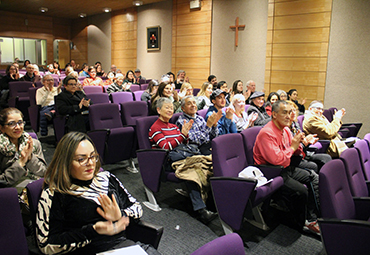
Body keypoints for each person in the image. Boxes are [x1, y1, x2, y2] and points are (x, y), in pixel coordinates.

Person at [36, 132, 160, 255]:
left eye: (92, 156)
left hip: (121, 246)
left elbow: (136, 208)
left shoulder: (106, 178)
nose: (90, 163)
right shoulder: (55, 192)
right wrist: (93, 230)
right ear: (66, 162)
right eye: (81, 159)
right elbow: (47, 245)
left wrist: (120, 216)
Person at [253, 100, 320, 234]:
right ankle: (300, 223)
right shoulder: (267, 133)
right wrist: (293, 147)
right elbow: (277, 160)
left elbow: (293, 151)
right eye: (284, 113)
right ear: (274, 115)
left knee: (314, 177)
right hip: (271, 172)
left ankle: (312, 217)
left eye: (290, 112)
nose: (289, 116)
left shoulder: (286, 130)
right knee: (301, 191)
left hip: (285, 167)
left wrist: (301, 144)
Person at [149, 97, 217, 224]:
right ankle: (201, 211)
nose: (170, 110)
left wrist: (184, 136)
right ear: (158, 110)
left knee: (205, 166)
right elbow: (166, 147)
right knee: (190, 172)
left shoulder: (173, 126)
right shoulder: (155, 128)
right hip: (166, 160)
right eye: (166, 107)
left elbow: (184, 143)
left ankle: (211, 201)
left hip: (182, 155)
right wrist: (182, 136)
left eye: (171, 107)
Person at [0, 108, 46, 187]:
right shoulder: (1, 148)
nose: (18, 127)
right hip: (10, 192)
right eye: (11, 123)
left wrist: (30, 158)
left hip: (33, 187)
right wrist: (21, 163)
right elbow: (2, 181)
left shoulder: (33, 143)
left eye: (20, 122)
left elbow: (44, 172)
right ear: (2, 128)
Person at [286, 100, 331, 172]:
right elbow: (292, 149)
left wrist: (307, 142)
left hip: (302, 153)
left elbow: (301, 144)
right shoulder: (285, 128)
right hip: (293, 158)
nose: (294, 113)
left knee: (326, 158)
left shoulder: (295, 124)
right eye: (290, 111)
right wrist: (304, 143)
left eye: (295, 110)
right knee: (314, 166)